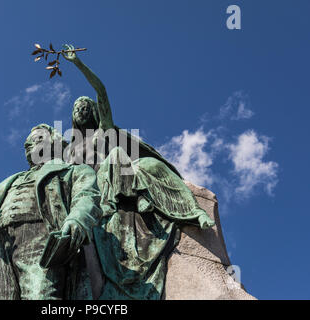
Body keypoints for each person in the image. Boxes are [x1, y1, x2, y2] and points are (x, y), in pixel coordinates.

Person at [62, 45, 215, 299]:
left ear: (94, 111)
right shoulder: (70, 152)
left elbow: (101, 91)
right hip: (86, 191)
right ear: (74, 118)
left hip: (109, 181)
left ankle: (143, 198)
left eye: (85, 104)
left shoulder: (105, 131)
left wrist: (78, 63)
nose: (80, 108)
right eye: (76, 107)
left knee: (118, 156)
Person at [0, 124, 102, 300]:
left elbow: (87, 197)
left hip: (43, 242)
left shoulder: (74, 171)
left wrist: (76, 220)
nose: (30, 145)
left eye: (37, 139)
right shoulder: (9, 182)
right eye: (27, 143)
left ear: (54, 143)